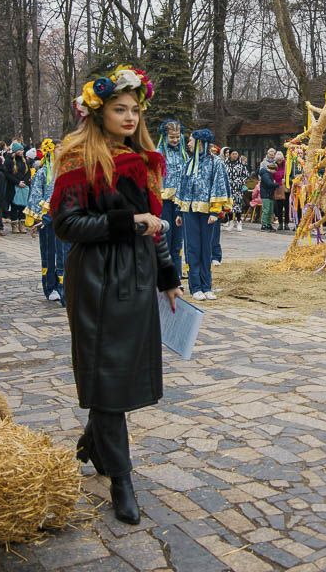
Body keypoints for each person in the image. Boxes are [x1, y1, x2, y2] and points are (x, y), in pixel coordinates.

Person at [50, 64, 181, 526]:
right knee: (106, 374)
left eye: (134, 110)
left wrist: (168, 274)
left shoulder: (144, 159)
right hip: (96, 281)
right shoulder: (75, 157)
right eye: (119, 109)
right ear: (98, 111)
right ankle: (121, 478)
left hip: (139, 279)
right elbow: (66, 226)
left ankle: (93, 441)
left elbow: (155, 225)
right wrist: (127, 223)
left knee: (120, 375)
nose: (129, 117)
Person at [177, 129, 233, 298]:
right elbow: (183, 186)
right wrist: (179, 211)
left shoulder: (216, 163)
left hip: (208, 212)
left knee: (206, 248)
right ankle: (195, 287)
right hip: (189, 211)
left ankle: (206, 286)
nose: (188, 144)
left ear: (200, 143)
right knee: (192, 248)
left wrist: (215, 211)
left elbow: (220, 185)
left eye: (191, 141)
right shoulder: (189, 163)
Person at [28, 138, 67, 302]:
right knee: (49, 252)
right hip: (46, 219)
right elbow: (35, 195)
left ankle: (62, 285)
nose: (61, 151)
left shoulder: (66, 171)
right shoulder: (43, 172)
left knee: (63, 253)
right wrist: (37, 218)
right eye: (58, 148)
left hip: (62, 218)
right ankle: (49, 286)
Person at [156, 119, 188, 278]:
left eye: (177, 136)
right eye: (172, 137)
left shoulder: (184, 154)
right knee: (165, 239)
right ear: (165, 136)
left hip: (180, 202)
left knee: (178, 241)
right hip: (164, 202)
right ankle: (164, 275)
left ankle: (176, 275)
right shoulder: (158, 153)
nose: (175, 140)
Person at [224, 150, 250, 232]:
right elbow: (222, 174)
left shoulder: (241, 164)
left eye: (236, 154)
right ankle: (231, 222)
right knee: (229, 205)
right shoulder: (225, 164)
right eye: (233, 154)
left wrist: (240, 181)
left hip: (237, 188)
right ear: (230, 155)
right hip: (228, 188)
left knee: (238, 205)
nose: (235, 155)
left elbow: (246, 175)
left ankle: (239, 222)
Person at [259, 157, 278, 231]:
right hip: (266, 195)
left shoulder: (269, 175)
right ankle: (264, 225)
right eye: (275, 170)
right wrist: (276, 184)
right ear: (272, 169)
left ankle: (268, 224)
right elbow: (269, 184)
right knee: (266, 210)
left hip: (269, 194)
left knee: (270, 211)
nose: (275, 172)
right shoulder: (265, 174)